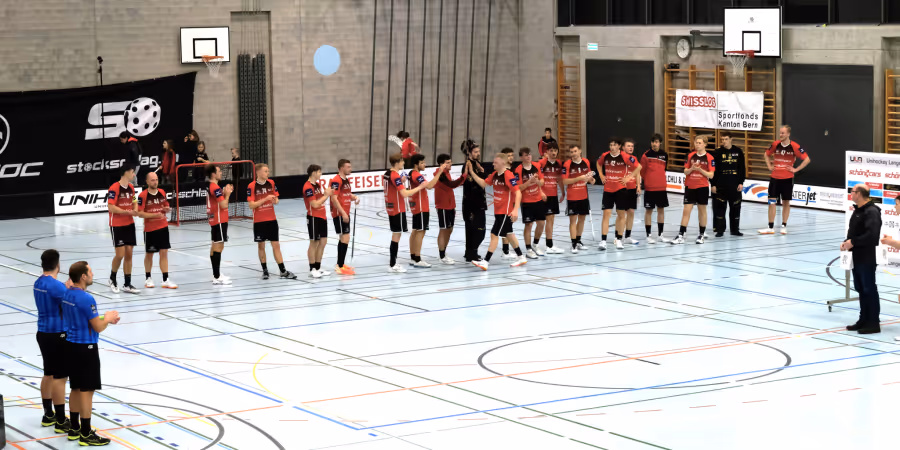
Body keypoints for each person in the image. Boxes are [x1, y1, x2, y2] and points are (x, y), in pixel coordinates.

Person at [62, 261, 121, 446]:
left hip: (71, 346)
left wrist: (103, 318)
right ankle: (86, 433)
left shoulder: (67, 294)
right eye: (90, 272)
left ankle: (74, 428)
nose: (93, 274)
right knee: (87, 391)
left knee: (75, 388)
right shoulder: (87, 298)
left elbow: (84, 318)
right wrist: (107, 319)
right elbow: (97, 327)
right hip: (86, 348)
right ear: (83, 276)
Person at [467, 152, 528, 270]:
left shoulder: (508, 175)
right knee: (509, 234)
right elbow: (484, 183)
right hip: (498, 211)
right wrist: (472, 172)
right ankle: (521, 257)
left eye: (496, 162)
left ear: (503, 163)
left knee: (494, 234)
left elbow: (518, 192)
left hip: (505, 211)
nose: (493, 164)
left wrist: (515, 210)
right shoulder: (495, 174)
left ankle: (485, 261)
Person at [34, 249, 73, 434]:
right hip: (58, 334)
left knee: (48, 373)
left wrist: (65, 287)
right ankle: (61, 420)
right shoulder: (57, 286)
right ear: (58, 264)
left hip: (43, 332)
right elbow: (71, 304)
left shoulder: (38, 282)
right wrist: (70, 288)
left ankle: (48, 414)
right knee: (60, 378)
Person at [384, 153, 441, 273]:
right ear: (397, 162)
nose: (404, 163)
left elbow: (391, 187)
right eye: (402, 161)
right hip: (398, 208)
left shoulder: (387, 174)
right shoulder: (395, 175)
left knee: (407, 232)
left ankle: (410, 258)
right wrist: (420, 187)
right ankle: (394, 264)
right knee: (397, 236)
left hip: (391, 207)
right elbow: (405, 193)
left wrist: (401, 181)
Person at [841, 185, 882, 334]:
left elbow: (872, 235)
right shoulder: (858, 210)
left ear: (859, 194)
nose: (851, 194)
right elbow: (854, 232)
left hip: (867, 256)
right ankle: (863, 319)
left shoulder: (872, 212)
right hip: (856, 256)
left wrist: (853, 242)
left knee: (868, 288)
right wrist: (846, 242)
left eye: (852, 192)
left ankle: (873, 322)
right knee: (860, 288)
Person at [759, 125, 811, 235]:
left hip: (787, 179)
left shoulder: (795, 146)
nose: (781, 135)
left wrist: (796, 169)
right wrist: (769, 166)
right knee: (771, 202)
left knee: (786, 202)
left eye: (783, 133)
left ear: (788, 134)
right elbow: (766, 154)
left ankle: (783, 226)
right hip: (775, 178)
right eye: (780, 133)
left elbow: (807, 159)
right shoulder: (775, 144)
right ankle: (770, 227)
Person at [249, 164, 297, 280]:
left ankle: (283, 271)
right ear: (258, 173)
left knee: (276, 245)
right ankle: (265, 271)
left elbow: (277, 199)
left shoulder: (271, 183)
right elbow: (251, 205)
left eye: (268, 171)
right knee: (261, 246)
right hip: (259, 221)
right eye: (265, 171)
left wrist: (275, 201)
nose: (268, 173)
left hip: (272, 220)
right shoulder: (252, 186)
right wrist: (265, 199)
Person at [597, 138, 641, 250]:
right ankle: (603, 241)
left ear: (619, 146)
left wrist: (628, 178)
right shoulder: (605, 155)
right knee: (606, 214)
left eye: (614, 145)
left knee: (621, 214)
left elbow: (639, 167)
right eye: (611, 145)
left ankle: (619, 239)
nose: (612, 147)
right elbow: (598, 163)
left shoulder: (625, 156)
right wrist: (601, 175)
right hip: (608, 190)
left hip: (620, 190)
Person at [137, 172, 177, 289]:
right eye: (153, 180)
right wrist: (154, 215)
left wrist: (167, 209)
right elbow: (140, 213)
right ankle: (148, 278)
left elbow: (165, 205)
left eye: (156, 180)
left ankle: (165, 279)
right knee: (149, 254)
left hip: (163, 227)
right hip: (150, 229)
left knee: (164, 253)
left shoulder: (162, 192)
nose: (155, 182)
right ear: (147, 182)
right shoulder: (143, 195)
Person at [673, 136, 715, 245]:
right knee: (686, 211)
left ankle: (701, 234)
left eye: (700, 143)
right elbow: (685, 171)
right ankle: (681, 235)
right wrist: (692, 168)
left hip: (702, 187)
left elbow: (711, 175)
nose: (697, 144)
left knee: (702, 211)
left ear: (705, 144)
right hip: (690, 187)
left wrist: (700, 170)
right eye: (696, 142)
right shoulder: (690, 155)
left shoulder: (709, 157)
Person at [106, 165, 140, 294]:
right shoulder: (114, 188)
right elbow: (111, 207)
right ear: (126, 172)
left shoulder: (131, 188)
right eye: (132, 172)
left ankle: (127, 284)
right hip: (117, 225)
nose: (134, 175)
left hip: (129, 224)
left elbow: (134, 201)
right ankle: (112, 278)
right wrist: (127, 212)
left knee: (129, 254)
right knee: (120, 254)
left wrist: (135, 209)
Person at [407, 154, 446, 268]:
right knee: (421, 231)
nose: (425, 164)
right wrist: (439, 172)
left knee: (415, 231)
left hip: (415, 206)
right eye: (422, 163)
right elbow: (429, 186)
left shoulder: (411, 173)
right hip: (421, 207)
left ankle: (413, 257)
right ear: (416, 164)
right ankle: (417, 258)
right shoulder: (417, 175)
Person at [433, 153, 467, 264]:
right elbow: (452, 184)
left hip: (450, 205)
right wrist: (464, 176)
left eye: (450, 162)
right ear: (441, 164)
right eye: (448, 163)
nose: (450, 164)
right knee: (444, 230)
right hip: (443, 206)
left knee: (449, 229)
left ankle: (444, 251)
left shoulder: (446, 173)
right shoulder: (439, 174)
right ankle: (442, 255)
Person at [330, 159, 361, 275]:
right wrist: (343, 213)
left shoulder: (345, 180)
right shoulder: (336, 180)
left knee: (344, 238)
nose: (350, 169)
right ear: (342, 168)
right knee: (345, 237)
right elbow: (334, 198)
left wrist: (355, 197)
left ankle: (341, 264)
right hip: (340, 213)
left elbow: (346, 194)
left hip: (345, 212)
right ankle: (339, 266)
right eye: (348, 167)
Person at [712, 132, 746, 237]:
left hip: (734, 184)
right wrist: (713, 184)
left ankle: (735, 230)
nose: (724, 141)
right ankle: (720, 230)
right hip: (720, 184)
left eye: (726, 139)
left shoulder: (738, 151)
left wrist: (741, 182)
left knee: (735, 208)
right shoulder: (717, 152)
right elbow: (713, 170)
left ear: (731, 139)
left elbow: (742, 168)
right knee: (719, 208)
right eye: (722, 139)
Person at [515, 147, 546, 258]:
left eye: (529, 154)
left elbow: (542, 182)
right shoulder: (518, 170)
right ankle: (528, 249)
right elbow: (518, 187)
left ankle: (535, 244)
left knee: (541, 223)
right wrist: (529, 182)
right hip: (526, 201)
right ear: (521, 157)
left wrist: (537, 182)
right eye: (526, 155)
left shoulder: (537, 166)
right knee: (529, 225)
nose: (528, 156)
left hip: (538, 199)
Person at [563, 145, 595, 253]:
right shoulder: (567, 164)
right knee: (573, 220)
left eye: (575, 151)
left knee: (582, 219)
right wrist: (578, 178)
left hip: (583, 196)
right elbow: (564, 181)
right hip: (572, 196)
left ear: (580, 151)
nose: (574, 153)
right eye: (571, 152)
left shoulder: (586, 162)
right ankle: (573, 244)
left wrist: (591, 180)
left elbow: (589, 176)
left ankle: (578, 240)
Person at [641, 134, 670, 244]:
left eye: (657, 142)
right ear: (651, 142)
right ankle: (648, 235)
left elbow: (664, 169)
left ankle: (660, 235)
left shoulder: (664, 155)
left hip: (661, 187)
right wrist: (649, 181)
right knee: (649, 211)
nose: (655, 144)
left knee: (661, 210)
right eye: (653, 142)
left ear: (660, 143)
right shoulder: (646, 155)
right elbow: (642, 172)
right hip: (650, 188)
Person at [303, 165, 332, 278]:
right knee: (314, 242)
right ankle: (312, 268)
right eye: (319, 172)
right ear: (313, 173)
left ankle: (318, 267)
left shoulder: (318, 185)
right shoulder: (308, 187)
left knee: (323, 242)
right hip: (314, 217)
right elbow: (314, 204)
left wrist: (326, 194)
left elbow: (321, 200)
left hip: (322, 216)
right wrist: (326, 195)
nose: (321, 174)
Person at [207, 164, 234, 285]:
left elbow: (218, 200)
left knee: (215, 246)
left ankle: (216, 274)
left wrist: (224, 192)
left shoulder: (212, 187)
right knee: (218, 247)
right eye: (219, 171)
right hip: (219, 220)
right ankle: (217, 277)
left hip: (215, 220)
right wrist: (227, 194)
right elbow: (223, 205)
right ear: (213, 174)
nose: (221, 173)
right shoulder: (215, 187)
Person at [537, 142, 564, 254]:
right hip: (543, 195)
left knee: (551, 220)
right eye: (551, 150)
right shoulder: (541, 163)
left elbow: (559, 179)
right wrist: (540, 192)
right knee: (541, 222)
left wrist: (563, 192)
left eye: (555, 150)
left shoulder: (559, 163)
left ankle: (549, 245)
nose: (553, 152)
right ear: (547, 152)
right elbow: (536, 180)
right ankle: (536, 245)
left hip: (553, 195)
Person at [462, 141, 487, 262]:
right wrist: (473, 172)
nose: (478, 153)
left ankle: (471, 253)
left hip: (479, 201)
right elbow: (475, 183)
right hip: (472, 204)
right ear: (469, 152)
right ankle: (471, 252)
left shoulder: (477, 164)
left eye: (478, 151)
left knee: (475, 230)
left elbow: (484, 177)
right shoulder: (467, 166)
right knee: (476, 230)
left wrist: (481, 171)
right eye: (475, 152)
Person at [499, 147, 518, 259]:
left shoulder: (512, 169)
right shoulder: (503, 171)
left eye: (512, 155)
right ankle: (505, 251)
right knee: (506, 226)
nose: (511, 158)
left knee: (508, 225)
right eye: (508, 156)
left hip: (512, 200)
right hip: (505, 202)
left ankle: (506, 250)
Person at [622, 139, 641, 245]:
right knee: (621, 213)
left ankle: (628, 236)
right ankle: (618, 236)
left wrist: (638, 185)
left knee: (631, 212)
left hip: (632, 188)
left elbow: (637, 171)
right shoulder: (620, 158)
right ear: (623, 147)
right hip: (622, 188)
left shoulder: (634, 159)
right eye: (628, 146)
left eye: (632, 146)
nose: (630, 148)